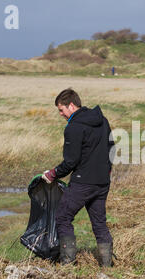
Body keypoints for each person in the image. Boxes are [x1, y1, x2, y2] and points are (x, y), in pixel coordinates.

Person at [42, 88, 115, 266]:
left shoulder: (74, 128)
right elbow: (112, 147)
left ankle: (67, 263)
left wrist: (52, 174)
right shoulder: (102, 120)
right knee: (99, 222)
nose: (61, 114)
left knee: (63, 217)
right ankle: (107, 265)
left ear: (72, 106)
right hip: (102, 182)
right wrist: (107, 170)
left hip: (83, 183)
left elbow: (70, 162)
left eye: (61, 110)